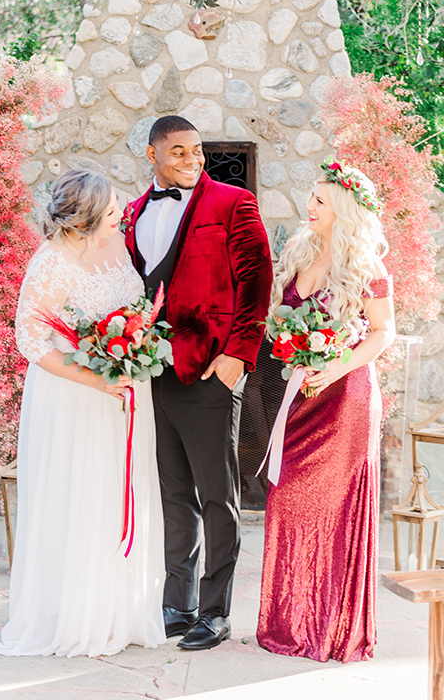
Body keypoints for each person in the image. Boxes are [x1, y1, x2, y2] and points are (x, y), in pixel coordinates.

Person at [0, 169, 166, 658]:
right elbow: (31, 340)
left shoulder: (116, 247)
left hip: (125, 393)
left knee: (119, 494)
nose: (122, 213)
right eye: (112, 210)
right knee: (82, 495)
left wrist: (134, 355)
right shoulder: (51, 263)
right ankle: (76, 616)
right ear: (84, 221)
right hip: (73, 398)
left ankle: (119, 609)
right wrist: (98, 379)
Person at [125, 116, 273, 650]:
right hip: (155, 372)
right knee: (173, 494)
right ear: (152, 155)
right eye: (180, 152)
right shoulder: (134, 212)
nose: (193, 161)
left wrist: (240, 353)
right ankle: (177, 603)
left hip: (212, 368)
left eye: (198, 151)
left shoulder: (232, 203)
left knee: (218, 496)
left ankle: (215, 611)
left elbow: (257, 278)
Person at [257, 160, 395, 663]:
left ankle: (334, 628)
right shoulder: (300, 249)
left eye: (319, 200)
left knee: (333, 506)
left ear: (342, 208)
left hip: (346, 397)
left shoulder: (369, 267)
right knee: (288, 497)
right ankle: (289, 620)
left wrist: (336, 367)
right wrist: (290, 343)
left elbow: (383, 332)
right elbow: (280, 316)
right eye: (311, 198)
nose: (309, 207)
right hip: (301, 393)